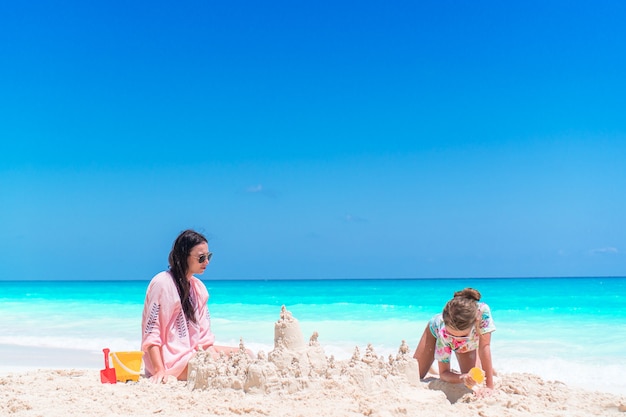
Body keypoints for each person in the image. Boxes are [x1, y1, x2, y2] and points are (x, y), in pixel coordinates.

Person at [141, 229, 241, 383]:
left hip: (192, 354)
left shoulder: (198, 288)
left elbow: (204, 339)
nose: (206, 262)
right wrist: (158, 370)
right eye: (201, 258)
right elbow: (152, 332)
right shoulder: (162, 283)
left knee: (245, 354)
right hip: (171, 363)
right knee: (216, 364)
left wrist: (213, 354)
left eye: (208, 257)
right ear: (184, 256)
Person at [413, 288, 496, 393]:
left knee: (473, 380)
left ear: (476, 322)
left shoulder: (482, 314)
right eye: (452, 334)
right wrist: (461, 377)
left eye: (461, 336)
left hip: (469, 343)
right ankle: (429, 363)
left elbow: (484, 347)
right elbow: (444, 373)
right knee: (415, 374)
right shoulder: (443, 331)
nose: (456, 339)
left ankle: (484, 366)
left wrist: (489, 386)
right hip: (436, 331)